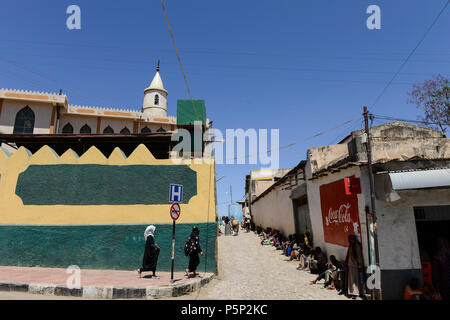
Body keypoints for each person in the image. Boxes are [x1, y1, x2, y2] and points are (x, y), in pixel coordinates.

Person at [345, 234, 365, 299]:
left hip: (356, 265)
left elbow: (359, 255)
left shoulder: (357, 246)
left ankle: (356, 293)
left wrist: (360, 264)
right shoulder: (351, 246)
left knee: (355, 280)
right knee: (351, 280)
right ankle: (352, 292)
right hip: (351, 265)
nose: (350, 240)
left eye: (351, 239)